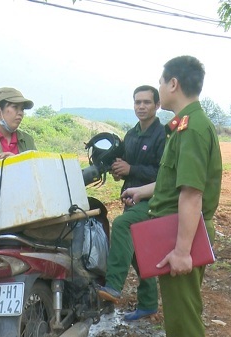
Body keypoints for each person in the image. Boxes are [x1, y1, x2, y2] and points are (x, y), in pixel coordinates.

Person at [102, 56, 222, 336]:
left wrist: (181, 252)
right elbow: (172, 181)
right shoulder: (183, 126)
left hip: (182, 234)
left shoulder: (191, 129)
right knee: (181, 314)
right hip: (177, 229)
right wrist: (141, 190)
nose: (159, 87)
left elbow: (191, 195)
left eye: (160, 81)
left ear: (173, 84)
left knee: (183, 323)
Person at [98, 85, 166, 321]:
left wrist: (131, 169)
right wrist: (119, 171)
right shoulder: (131, 135)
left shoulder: (162, 135)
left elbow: (164, 174)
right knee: (139, 251)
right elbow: (127, 167)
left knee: (121, 225)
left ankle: (113, 285)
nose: (141, 106)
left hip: (153, 201)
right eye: (137, 102)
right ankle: (147, 304)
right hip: (131, 197)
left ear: (157, 105)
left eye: (147, 102)